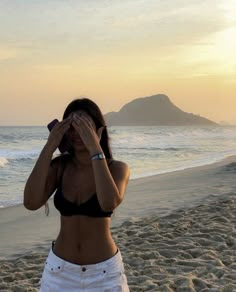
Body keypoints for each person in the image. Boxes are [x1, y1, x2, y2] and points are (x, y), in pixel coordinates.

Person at [24, 98, 130, 291]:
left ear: (98, 130)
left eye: (84, 126)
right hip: (59, 272)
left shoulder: (117, 169)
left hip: (104, 273)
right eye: (72, 126)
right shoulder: (60, 167)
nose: (77, 133)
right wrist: (49, 147)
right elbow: (30, 202)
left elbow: (109, 203)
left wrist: (95, 149)